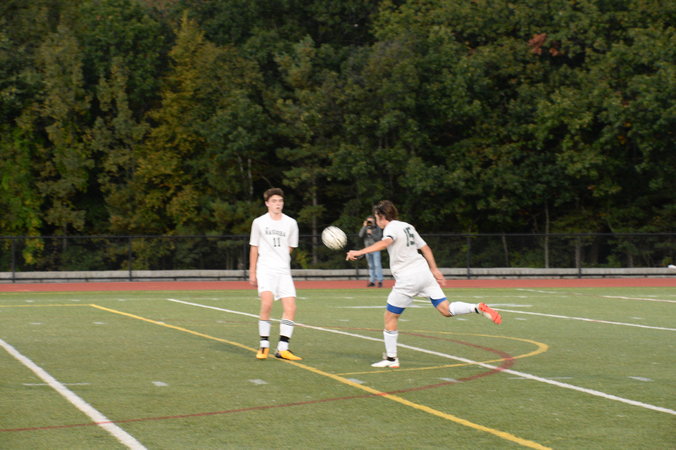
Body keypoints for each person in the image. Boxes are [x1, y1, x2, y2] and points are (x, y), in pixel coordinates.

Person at [346, 200, 502, 368]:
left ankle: (391, 359)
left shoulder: (390, 228)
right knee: (446, 309)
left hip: (408, 279)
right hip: (424, 273)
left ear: (382, 216)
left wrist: (360, 251)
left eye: (377, 218)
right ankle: (476, 307)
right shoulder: (408, 226)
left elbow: (386, 242)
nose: (377, 222)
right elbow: (426, 248)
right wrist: (434, 269)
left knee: (390, 316)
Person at [249, 187, 302, 361]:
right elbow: (254, 247)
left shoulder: (291, 223)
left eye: (280, 201)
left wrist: (281, 258)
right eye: (274, 201)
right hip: (265, 269)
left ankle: (283, 348)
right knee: (267, 304)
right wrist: (252, 271)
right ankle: (264, 345)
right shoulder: (259, 222)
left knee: (291, 308)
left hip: (283, 271)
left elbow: (291, 246)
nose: (277, 204)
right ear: (267, 203)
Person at [358, 215, 384, 287]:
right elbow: (360, 235)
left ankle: (380, 281)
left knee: (377, 265)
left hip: (376, 249)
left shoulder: (377, 228)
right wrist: (364, 227)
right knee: (371, 266)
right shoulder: (365, 228)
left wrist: (371, 234)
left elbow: (378, 238)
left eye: (371, 221)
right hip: (367, 249)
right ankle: (372, 281)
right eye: (368, 221)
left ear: (374, 221)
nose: (370, 223)